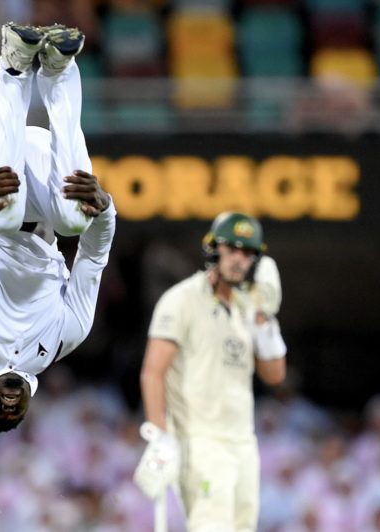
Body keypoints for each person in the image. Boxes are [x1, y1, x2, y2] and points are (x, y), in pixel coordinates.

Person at [0, 22, 116, 432]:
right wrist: (105, 210)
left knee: (5, 215)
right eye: (16, 413)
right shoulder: (66, 338)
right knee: (74, 219)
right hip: (44, 182)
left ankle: (13, 68)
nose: (9, 406)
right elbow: (93, 258)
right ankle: (58, 70)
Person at [134, 212, 287, 531]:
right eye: (231, 249)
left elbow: (275, 376)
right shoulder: (182, 300)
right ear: (214, 250)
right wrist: (159, 434)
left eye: (247, 252)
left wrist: (264, 324)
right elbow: (152, 372)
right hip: (200, 440)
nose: (238, 259)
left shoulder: (250, 307)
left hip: (243, 440)